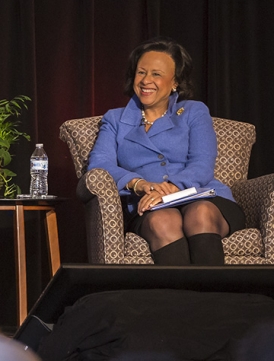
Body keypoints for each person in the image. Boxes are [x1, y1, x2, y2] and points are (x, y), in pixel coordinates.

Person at [87, 38, 244, 265]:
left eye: (156, 74)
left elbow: (202, 163)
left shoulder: (194, 112)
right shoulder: (115, 119)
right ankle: (177, 300)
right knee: (163, 220)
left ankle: (217, 299)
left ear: (175, 82)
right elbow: (99, 165)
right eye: (141, 73)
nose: (146, 81)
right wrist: (139, 184)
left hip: (199, 196)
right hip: (148, 205)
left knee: (200, 213)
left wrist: (170, 189)